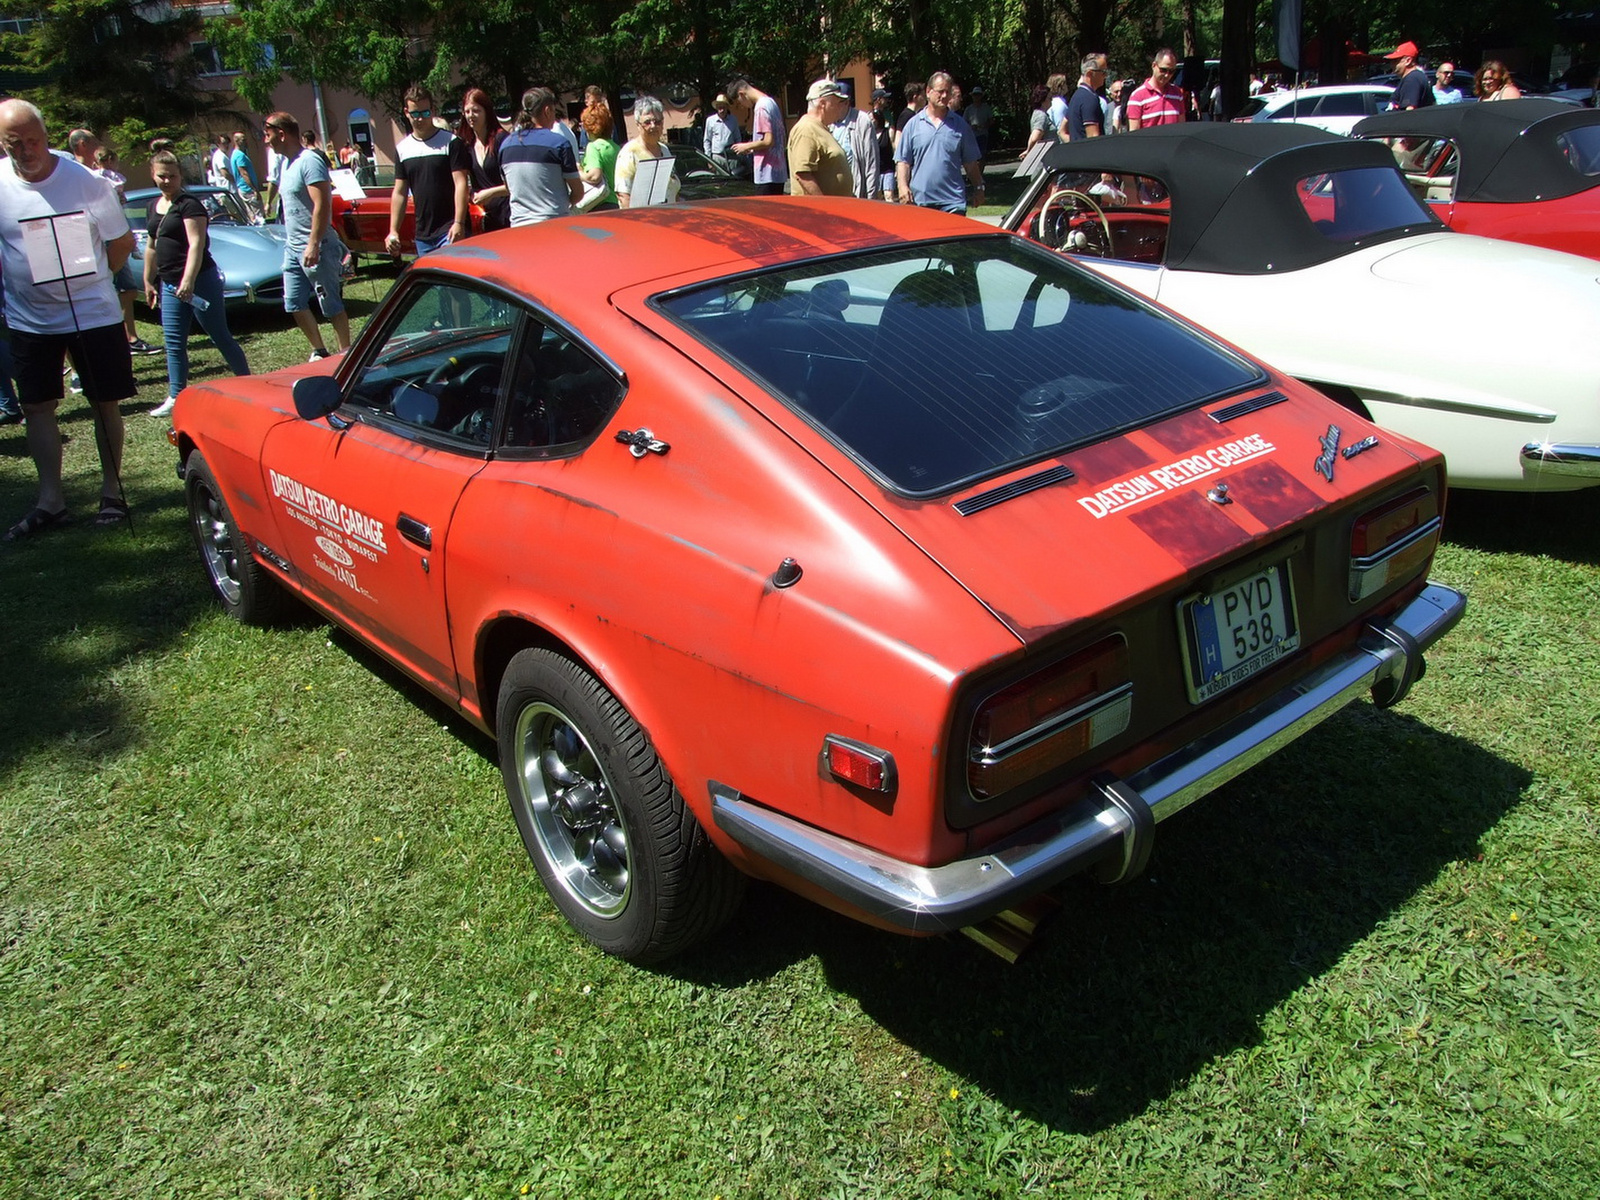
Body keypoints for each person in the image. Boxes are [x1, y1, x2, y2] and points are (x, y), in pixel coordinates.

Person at [0, 98, 137, 539]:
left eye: (32, 140)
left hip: (92, 314)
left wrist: (93, 281)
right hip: (28, 320)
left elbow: (120, 244)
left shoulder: (86, 182)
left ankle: (112, 490)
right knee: (36, 406)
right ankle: (50, 501)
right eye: (13, 143)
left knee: (103, 402)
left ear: (47, 136)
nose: (25, 150)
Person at [141, 150, 250, 418]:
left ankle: (248, 384)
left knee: (219, 335)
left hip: (200, 281)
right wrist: (148, 279)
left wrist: (188, 280)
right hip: (168, 284)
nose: (167, 181)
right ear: (153, 175)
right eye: (162, 176)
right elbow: (152, 246)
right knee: (174, 341)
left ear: (180, 176)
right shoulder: (153, 207)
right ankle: (176, 395)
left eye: (173, 176)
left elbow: (196, 245)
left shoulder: (189, 205)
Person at [267, 111, 351, 360]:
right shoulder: (285, 163)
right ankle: (319, 350)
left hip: (318, 245)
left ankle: (345, 354)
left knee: (331, 304)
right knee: (293, 302)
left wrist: (313, 243)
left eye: (267, 134)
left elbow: (322, 204)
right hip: (292, 249)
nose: (266, 140)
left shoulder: (310, 160)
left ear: (281, 134)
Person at [385, 84, 470, 257]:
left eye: (425, 113)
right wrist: (393, 231)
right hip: (423, 234)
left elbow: (461, 184)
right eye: (415, 114)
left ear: (432, 110)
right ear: (406, 112)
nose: (420, 119)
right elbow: (400, 192)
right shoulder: (403, 149)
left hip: (450, 229)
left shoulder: (451, 142)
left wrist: (459, 222)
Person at [895, 71, 984, 214]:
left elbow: (971, 163)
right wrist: (902, 187)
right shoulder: (913, 125)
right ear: (928, 92)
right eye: (940, 91)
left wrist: (979, 188)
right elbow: (903, 161)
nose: (944, 96)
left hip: (953, 202)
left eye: (947, 92)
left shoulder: (960, 126)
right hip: (921, 202)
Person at [499, 86, 582, 226]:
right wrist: (563, 204)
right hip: (554, 224)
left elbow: (509, 187)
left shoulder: (506, 145)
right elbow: (578, 192)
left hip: (519, 228)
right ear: (547, 111)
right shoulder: (559, 143)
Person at [787, 78, 854, 197]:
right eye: (837, 103)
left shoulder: (821, 128)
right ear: (822, 104)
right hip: (816, 212)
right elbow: (803, 174)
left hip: (835, 209)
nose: (841, 108)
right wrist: (825, 206)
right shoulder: (806, 129)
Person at [458, 87, 509, 233]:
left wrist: (490, 193)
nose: (471, 116)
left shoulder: (501, 139)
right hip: (485, 218)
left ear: (487, 111)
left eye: (476, 111)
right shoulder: (467, 145)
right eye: (467, 111)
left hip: (508, 214)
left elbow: (515, 185)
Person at [614, 95, 680, 208]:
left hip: (670, 218)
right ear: (638, 125)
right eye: (647, 122)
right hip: (643, 221)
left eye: (657, 121)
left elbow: (674, 191)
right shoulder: (629, 153)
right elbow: (624, 196)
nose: (653, 126)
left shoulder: (665, 150)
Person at [727, 76, 788, 194]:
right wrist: (752, 148)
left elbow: (768, 141)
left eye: (739, 102)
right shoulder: (771, 102)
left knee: (763, 211)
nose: (743, 106)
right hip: (778, 173)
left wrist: (746, 146)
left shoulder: (761, 107)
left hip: (766, 174)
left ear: (742, 94)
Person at [829, 82, 880, 199]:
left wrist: (871, 198)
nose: (833, 106)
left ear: (847, 102)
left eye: (837, 102)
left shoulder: (862, 121)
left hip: (856, 192)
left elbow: (871, 161)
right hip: (834, 194)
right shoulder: (828, 123)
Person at [1127, 48, 1188, 129]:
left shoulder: (1177, 94)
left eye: (1171, 71)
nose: (1167, 75)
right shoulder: (1137, 97)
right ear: (1154, 66)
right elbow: (1134, 134)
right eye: (1163, 70)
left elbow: (1182, 128)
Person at [579, 102, 619, 209]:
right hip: (617, 203)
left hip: (600, 204)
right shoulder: (616, 147)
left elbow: (594, 176)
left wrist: (578, 173)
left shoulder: (594, 147)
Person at [1067, 54, 1108, 139]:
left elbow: (1062, 130)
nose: (1106, 76)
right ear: (1090, 73)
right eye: (1103, 72)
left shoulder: (1076, 96)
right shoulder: (1089, 99)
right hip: (1089, 151)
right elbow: (1093, 137)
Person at [1386, 41, 1435, 111]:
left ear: (1408, 61)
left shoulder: (1412, 79)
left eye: (1396, 60)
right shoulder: (1416, 76)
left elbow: (1410, 111)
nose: (1392, 64)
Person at [229, 131, 263, 221]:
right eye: (243, 140)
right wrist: (254, 189)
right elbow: (243, 172)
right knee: (259, 217)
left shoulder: (235, 154)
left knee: (251, 216)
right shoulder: (240, 156)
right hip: (248, 189)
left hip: (242, 189)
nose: (246, 142)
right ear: (237, 141)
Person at [703, 94, 739, 173]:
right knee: (719, 182)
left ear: (727, 107)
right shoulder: (710, 120)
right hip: (717, 157)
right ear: (716, 108)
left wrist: (738, 154)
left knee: (732, 181)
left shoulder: (733, 120)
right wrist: (709, 159)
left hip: (731, 156)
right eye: (719, 107)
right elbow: (707, 141)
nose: (721, 110)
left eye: (723, 107)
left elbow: (738, 138)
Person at [872, 90, 897, 198]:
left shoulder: (888, 115)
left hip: (888, 167)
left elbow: (893, 143)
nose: (886, 100)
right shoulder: (869, 117)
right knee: (876, 197)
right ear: (878, 99)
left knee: (889, 195)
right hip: (875, 168)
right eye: (884, 98)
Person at [1022, 84, 1057, 156]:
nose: (1052, 100)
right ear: (1042, 100)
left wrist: (1028, 149)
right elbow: (1035, 137)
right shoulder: (1041, 116)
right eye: (1049, 98)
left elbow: (1032, 136)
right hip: (1046, 160)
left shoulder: (1038, 113)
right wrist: (1029, 151)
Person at [963, 85, 994, 160]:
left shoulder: (986, 108)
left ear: (981, 96)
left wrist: (984, 125)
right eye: (975, 95)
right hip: (971, 135)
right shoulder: (969, 109)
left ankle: (980, 171)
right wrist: (971, 127)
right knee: (973, 156)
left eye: (978, 95)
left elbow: (991, 120)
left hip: (983, 134)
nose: (976, 97)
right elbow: (963, 122)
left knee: (982, 155)